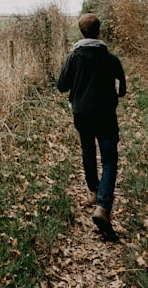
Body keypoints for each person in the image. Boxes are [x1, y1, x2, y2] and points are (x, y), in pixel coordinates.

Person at [57, 12, 127, 241]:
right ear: (99, 30)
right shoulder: (111, 59)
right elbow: (121, 90)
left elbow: (61, 86)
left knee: (88, 150)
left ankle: (93, 192)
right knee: (109, 160)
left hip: (82, 115)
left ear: (81, 32)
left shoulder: (73, 57)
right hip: (105, 115)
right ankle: (103, 207)